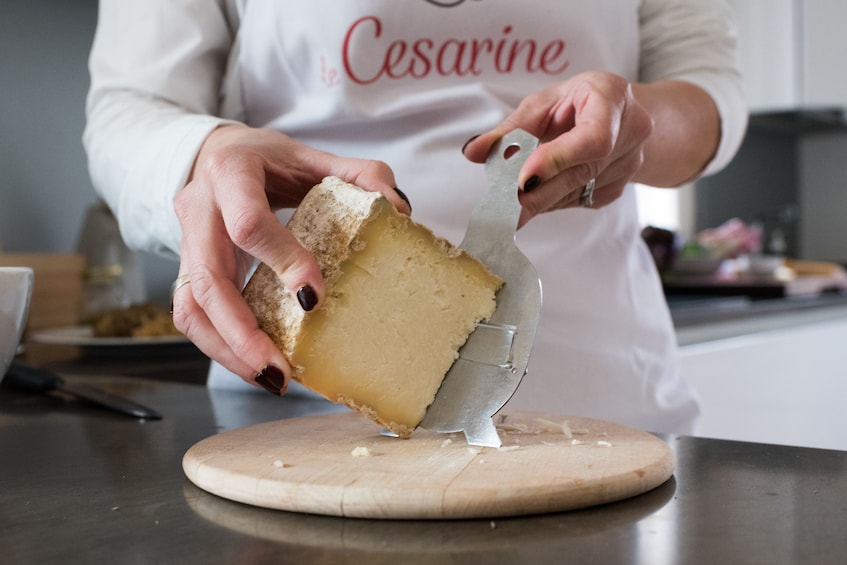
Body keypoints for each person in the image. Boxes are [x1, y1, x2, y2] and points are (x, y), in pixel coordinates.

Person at [83, 0, 747, 434]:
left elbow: (708, 86)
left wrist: (637, 123)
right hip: (302, 426)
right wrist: (206, 154)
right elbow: (126, 109)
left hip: (602, 402)